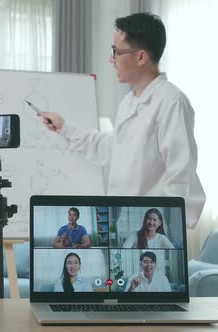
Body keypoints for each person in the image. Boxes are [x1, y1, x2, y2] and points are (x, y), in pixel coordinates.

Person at [38, 12, 205, 228]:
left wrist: (165, 229)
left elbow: (182, 178)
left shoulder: (171, 102)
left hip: (151, 227)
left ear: (141, 57)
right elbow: (111, 148)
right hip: (125, 223)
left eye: (116, 52)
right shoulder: (129, 102)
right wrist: (64, 127)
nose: (111, 59)